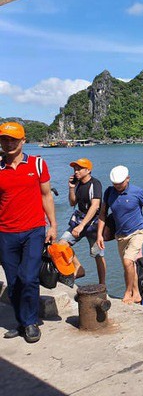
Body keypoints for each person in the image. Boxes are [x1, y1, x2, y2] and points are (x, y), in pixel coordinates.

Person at [0, 122, 57, 343]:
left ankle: (31, 322)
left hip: (34, 230)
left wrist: (52, 225)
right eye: (4, 139)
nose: (9, 143)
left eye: (13, 139)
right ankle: (21, 322)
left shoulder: (38, 164)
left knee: (29, 277)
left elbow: (46, 196)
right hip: (5, 232)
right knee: (13, 281)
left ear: (23, 141)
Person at [97, 165, 143, 304]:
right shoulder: (109, 192)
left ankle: (128, 292)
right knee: (128, 266)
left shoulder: (137, 192)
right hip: (121, 235)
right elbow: (103, 214)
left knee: (128, 261)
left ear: (128, 179)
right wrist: (100, 234)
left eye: (120, 183)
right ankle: (136, 294)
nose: (117, 186)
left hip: (138, 231)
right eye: (115, 184)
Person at [57, 158, 106, 285]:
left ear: (88, 170)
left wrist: (82, 225)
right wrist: (71, 188)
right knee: (62, 244)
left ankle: (102, 285)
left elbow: (95, 206)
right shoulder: (77, 183)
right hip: (79, 219)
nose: (76, 171)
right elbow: (72, 202)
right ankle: (78, 268)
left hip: (93, 223)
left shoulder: (95, 184)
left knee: (97, 254)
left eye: (79, 169)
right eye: (75, 169)